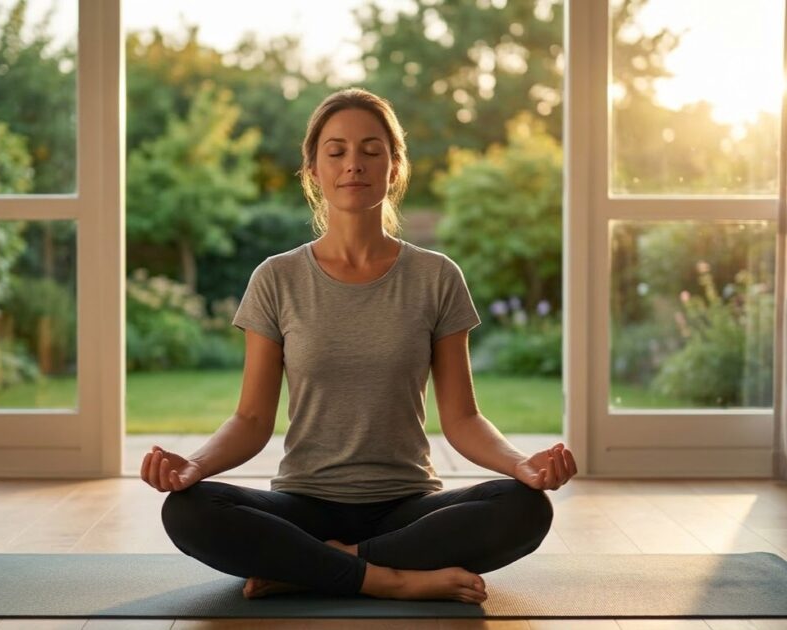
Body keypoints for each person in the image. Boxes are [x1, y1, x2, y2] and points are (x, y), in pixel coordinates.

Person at [140, 87, 577, 604]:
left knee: (526, 508)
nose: (354, 164)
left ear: (394, 168)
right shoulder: (275, 279)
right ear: (313, 171)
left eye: (372, 151)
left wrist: (522, 466)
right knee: (187, 511)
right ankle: (391, 578)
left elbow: (462, 419)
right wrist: (194, 466)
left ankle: (313, 568)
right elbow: (253, 420)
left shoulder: (436, 277)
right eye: (337, 151)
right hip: (305, 504)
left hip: (406, 504)